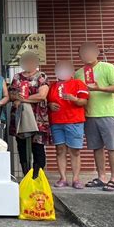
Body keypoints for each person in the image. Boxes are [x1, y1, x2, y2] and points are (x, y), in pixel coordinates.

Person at [75, 42, 114, 192]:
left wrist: (99, 88)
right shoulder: (79, 73)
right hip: (89, 115)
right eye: (84, 52)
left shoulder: (108, 67)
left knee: (112, 147)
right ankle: (101, 177)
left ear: (96, 52)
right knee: (96, 148)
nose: (87, 54)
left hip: (108, 113)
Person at [47, 61, 89, 189]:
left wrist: (74, 99)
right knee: (60, 150)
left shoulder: (78, 83)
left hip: (74, 121)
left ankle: (76, 178)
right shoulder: (52, 86)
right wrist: (50, 105)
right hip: (57, 121)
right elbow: (48, 102)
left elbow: (84, 101)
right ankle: (63, 178)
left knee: (75, 151)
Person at [9, 51, 49, 175]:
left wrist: (23, 99)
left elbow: (42, 95)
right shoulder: (17, 77)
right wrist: (16, 97)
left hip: (38, 118)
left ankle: (37, 176)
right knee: (21, 146)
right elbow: (11, 94)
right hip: (20, 116)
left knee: (37, 146)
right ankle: (26, 175)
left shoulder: (41, 76)